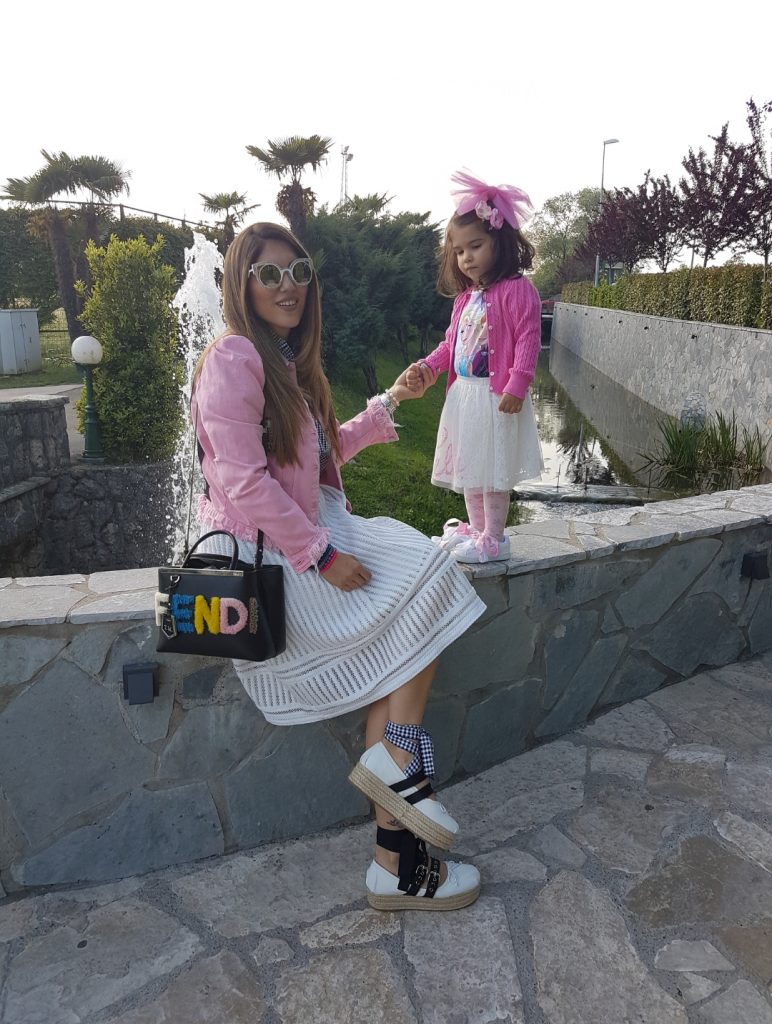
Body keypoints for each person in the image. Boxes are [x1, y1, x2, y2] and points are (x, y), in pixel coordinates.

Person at [189, 221, 485, 911]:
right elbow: (241, 481)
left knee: (412, 633)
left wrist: (389, 406)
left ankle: (393, 857)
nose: (288, 286)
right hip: (276, 559)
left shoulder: (285, 360)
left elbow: (309, 461)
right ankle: (396, 822)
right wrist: (321, 555)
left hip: (304, 535)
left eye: (299, 272)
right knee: (428, 585)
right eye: (269, 274)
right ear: (241, 284)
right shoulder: (234, 357)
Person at [407, 171, 544, 563]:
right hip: (464, 395)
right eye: (459, 251)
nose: (466, 257)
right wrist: (428, 366)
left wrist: (518, 383)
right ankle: (477, 530)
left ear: (499, 242)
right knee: (470, 467)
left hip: (495, 396)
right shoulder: (465, 298)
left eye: (475, 246)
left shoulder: (518, 290)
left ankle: (494, 539)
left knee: (493, 471)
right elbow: (451, 344)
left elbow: (528, 338)